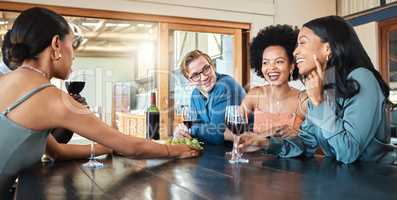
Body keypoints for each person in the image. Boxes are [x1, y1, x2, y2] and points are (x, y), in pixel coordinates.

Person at [0, 7, 199, 198]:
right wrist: (178, 149)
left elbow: (57, 152)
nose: (74, 55)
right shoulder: (51, 97)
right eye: (73, 44)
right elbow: (133, 148)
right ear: (56, 44)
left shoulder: (6, 81)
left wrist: (109, 148)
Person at [239, 15, 395, 164]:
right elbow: (306, 144)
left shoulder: (362, 78)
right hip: (340, 180)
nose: (295, 52)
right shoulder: (323, 85)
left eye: (302, 42)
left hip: (375, 180)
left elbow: (348, 152)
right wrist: (265, 143)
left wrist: (319, 103)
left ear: (327, 48)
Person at [242, 24, 307, 138]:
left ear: (292, 66)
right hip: (257, 156)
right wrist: (266, 134)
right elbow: (228, 132)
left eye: (279, 62)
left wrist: (299, 134)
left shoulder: (303, 100)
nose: (271, 68)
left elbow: (316, 142)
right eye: (265, 62)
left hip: (292, 156)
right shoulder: (255, 95)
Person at [174, 50, 246, 144]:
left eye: (206, 69)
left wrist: (190, 130)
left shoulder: (225, 86)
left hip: (241, 151)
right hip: (214, 151)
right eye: (195, 75)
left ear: (212, 66)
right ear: (190, 81)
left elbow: (217, 133)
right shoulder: (195, 95)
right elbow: (199, 127)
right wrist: (182, 132)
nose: (204, 77)